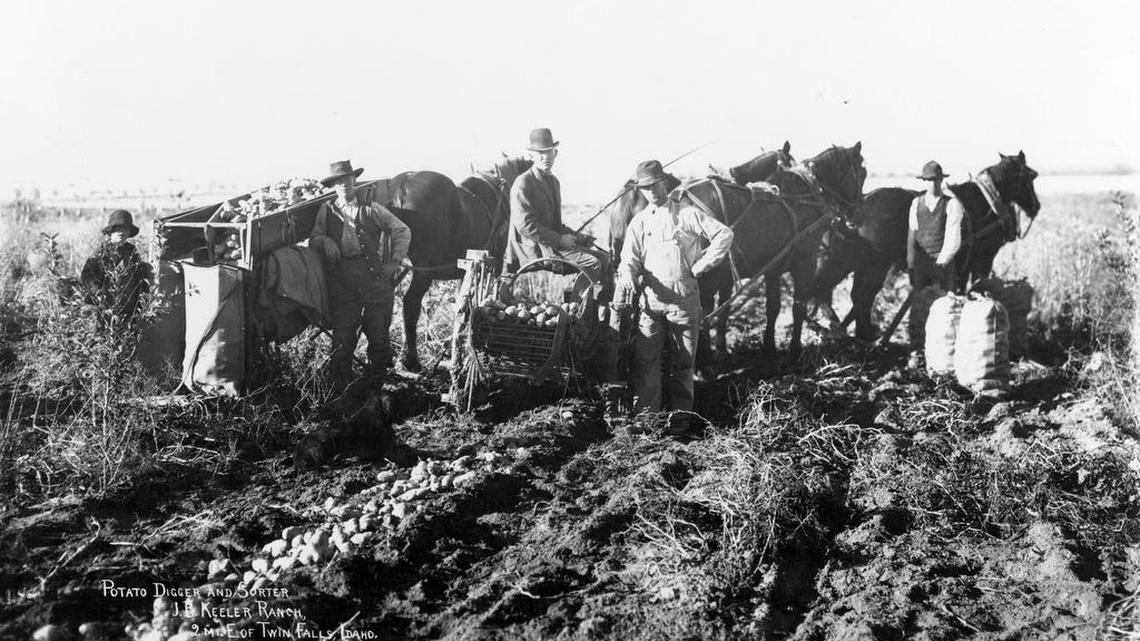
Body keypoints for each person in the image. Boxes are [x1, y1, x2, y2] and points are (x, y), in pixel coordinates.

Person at [616, 160, 734, 432]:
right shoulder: (639, 222)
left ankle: (680, 424)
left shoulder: (687, 214)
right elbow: (628, 260)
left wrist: (700, 266)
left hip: (684, 302)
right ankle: (647, 423)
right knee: (647, 364)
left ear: (665, 183)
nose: (652, 191)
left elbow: (724, 235)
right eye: (646, 187)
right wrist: (627, 276)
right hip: (651, 304)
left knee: (683, 366)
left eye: (656, 184)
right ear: (641, 190)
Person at [309, 160, 411, 387]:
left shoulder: (371, 208)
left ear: (354, 181)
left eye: (347, 179)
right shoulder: (326, 211)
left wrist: (395, 261)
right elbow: (313, 239)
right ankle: (340, 390)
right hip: (342, 280)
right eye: (338, 181)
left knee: (378, 333)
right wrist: (324, 240)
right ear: (333, 186)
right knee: (343, 336)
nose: (344, 184)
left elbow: (402, 230)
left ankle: (374, 387)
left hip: (373, 278)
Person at [504, 128, 610, 285]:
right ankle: (579, 307)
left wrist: (580, 238)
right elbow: (525, 226)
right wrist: (560, 239)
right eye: (540, 153)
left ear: (555, 153)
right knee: (592, 263)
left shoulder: (554, 182)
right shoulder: (523, 183)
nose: (545, 157)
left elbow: (555, 224)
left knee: (605, 258)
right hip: (535, 250)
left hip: (553, 246)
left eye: (548, 152)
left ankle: (599, 305)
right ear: (531, 155)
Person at [81, 209, 152, 337]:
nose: (122, 232)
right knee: (105, 339)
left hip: (129, 308)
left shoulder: (131, 250)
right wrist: (98, 293)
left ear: (129, 232)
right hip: (107, 309)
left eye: (125, 228)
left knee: (129, 340)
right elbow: (87, 276)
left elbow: (139, 276)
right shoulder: (100, 251)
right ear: (111, 231)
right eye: (117, 228)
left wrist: (142, 300)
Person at [907, 160, 967, 293]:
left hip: (943, 263)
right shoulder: (916, 203)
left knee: (945, 306)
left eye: (936, 180)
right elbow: (912, 238)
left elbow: (953, 239)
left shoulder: (951, 204)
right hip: (921, 263)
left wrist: (941, 264)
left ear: (941, 180)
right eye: (929, 180)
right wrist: (911, 266)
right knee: (920, 305)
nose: (933, 183)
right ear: (924, 181)